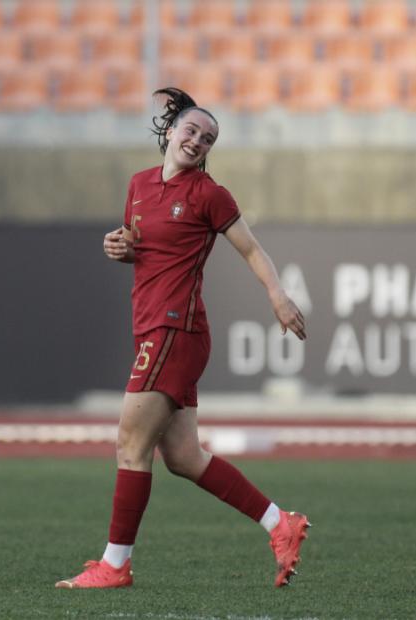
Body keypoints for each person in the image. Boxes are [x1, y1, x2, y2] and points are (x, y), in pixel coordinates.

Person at [54, 88, 311, 590]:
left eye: (208, 138)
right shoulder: (139, 185)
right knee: (184, 457)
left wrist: (278, 294)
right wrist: (120, 247)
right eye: (191, 130)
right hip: (153, 325)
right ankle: (281, 523)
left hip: (177, 327)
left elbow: (253, 250)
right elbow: (144, 250)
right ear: (170, 131)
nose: (198, 140)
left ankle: (115, 565)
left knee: (130, 443)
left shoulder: (209, 195)